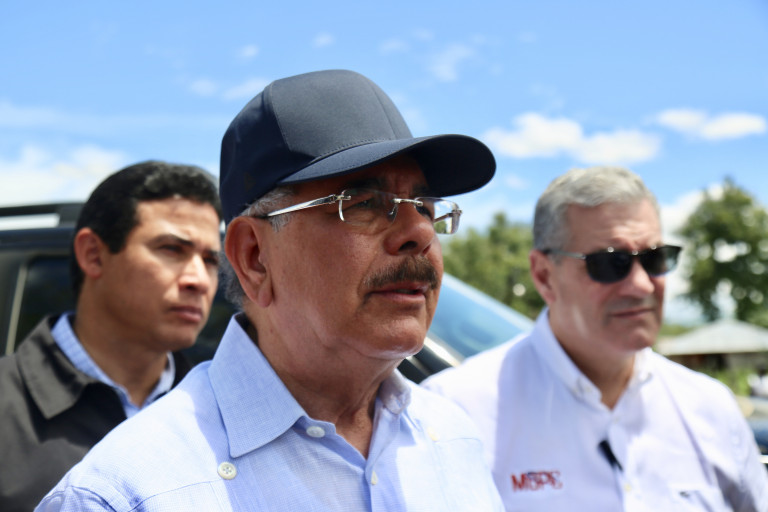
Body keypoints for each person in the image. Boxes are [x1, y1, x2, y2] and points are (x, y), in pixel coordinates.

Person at [36, 69, 504, 511]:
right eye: (363, 203)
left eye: (424, 206)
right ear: (254, 257)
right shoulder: (125, 495)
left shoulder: (453, 439)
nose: (419, 232)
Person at [423, 166, 768, 511]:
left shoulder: (711, 408)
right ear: (544, 275)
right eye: (611, 263)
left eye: (655, 259)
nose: (641, 285)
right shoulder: (455, 415)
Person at [0, 161, 222, 512]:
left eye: (210, 260)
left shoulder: (224, 413)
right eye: (171, 249)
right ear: (93, 255)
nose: (199, 279)